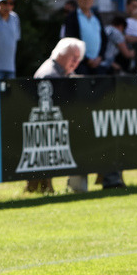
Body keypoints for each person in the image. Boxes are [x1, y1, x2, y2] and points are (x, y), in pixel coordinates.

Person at [28, 38, 85, 193]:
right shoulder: (49, 74)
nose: (76, 62)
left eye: (78, 58)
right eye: (73, 57)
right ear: (61, 55)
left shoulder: (65, 71)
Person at [63, 0, 110, 75]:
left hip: (97, 63)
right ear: (78, 0)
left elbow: (104, 38)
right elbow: (70, 41)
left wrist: (100, 57)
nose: (86, 0)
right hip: (80, 64)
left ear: (93, 0)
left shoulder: (96, 16)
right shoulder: (72, 17)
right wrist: (86, 60)